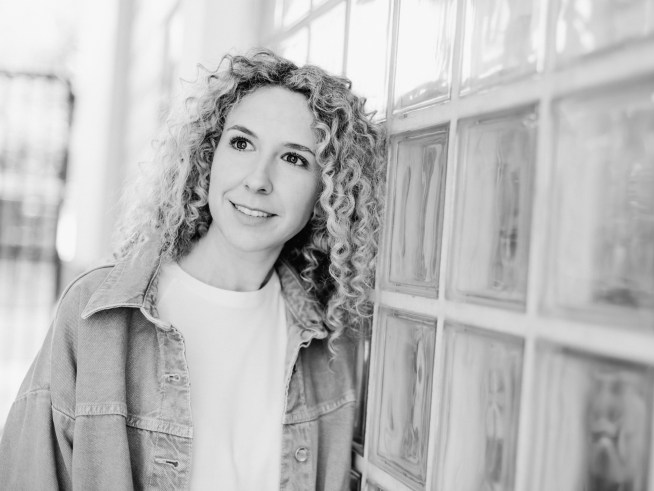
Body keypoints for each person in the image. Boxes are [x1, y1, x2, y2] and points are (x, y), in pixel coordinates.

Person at [0, 50, 386, 490]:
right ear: (208, 156)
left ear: (327, 191)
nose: (257, 180)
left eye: (294, 158)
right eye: (241, 143)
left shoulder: (330, 345)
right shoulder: (98, 316)